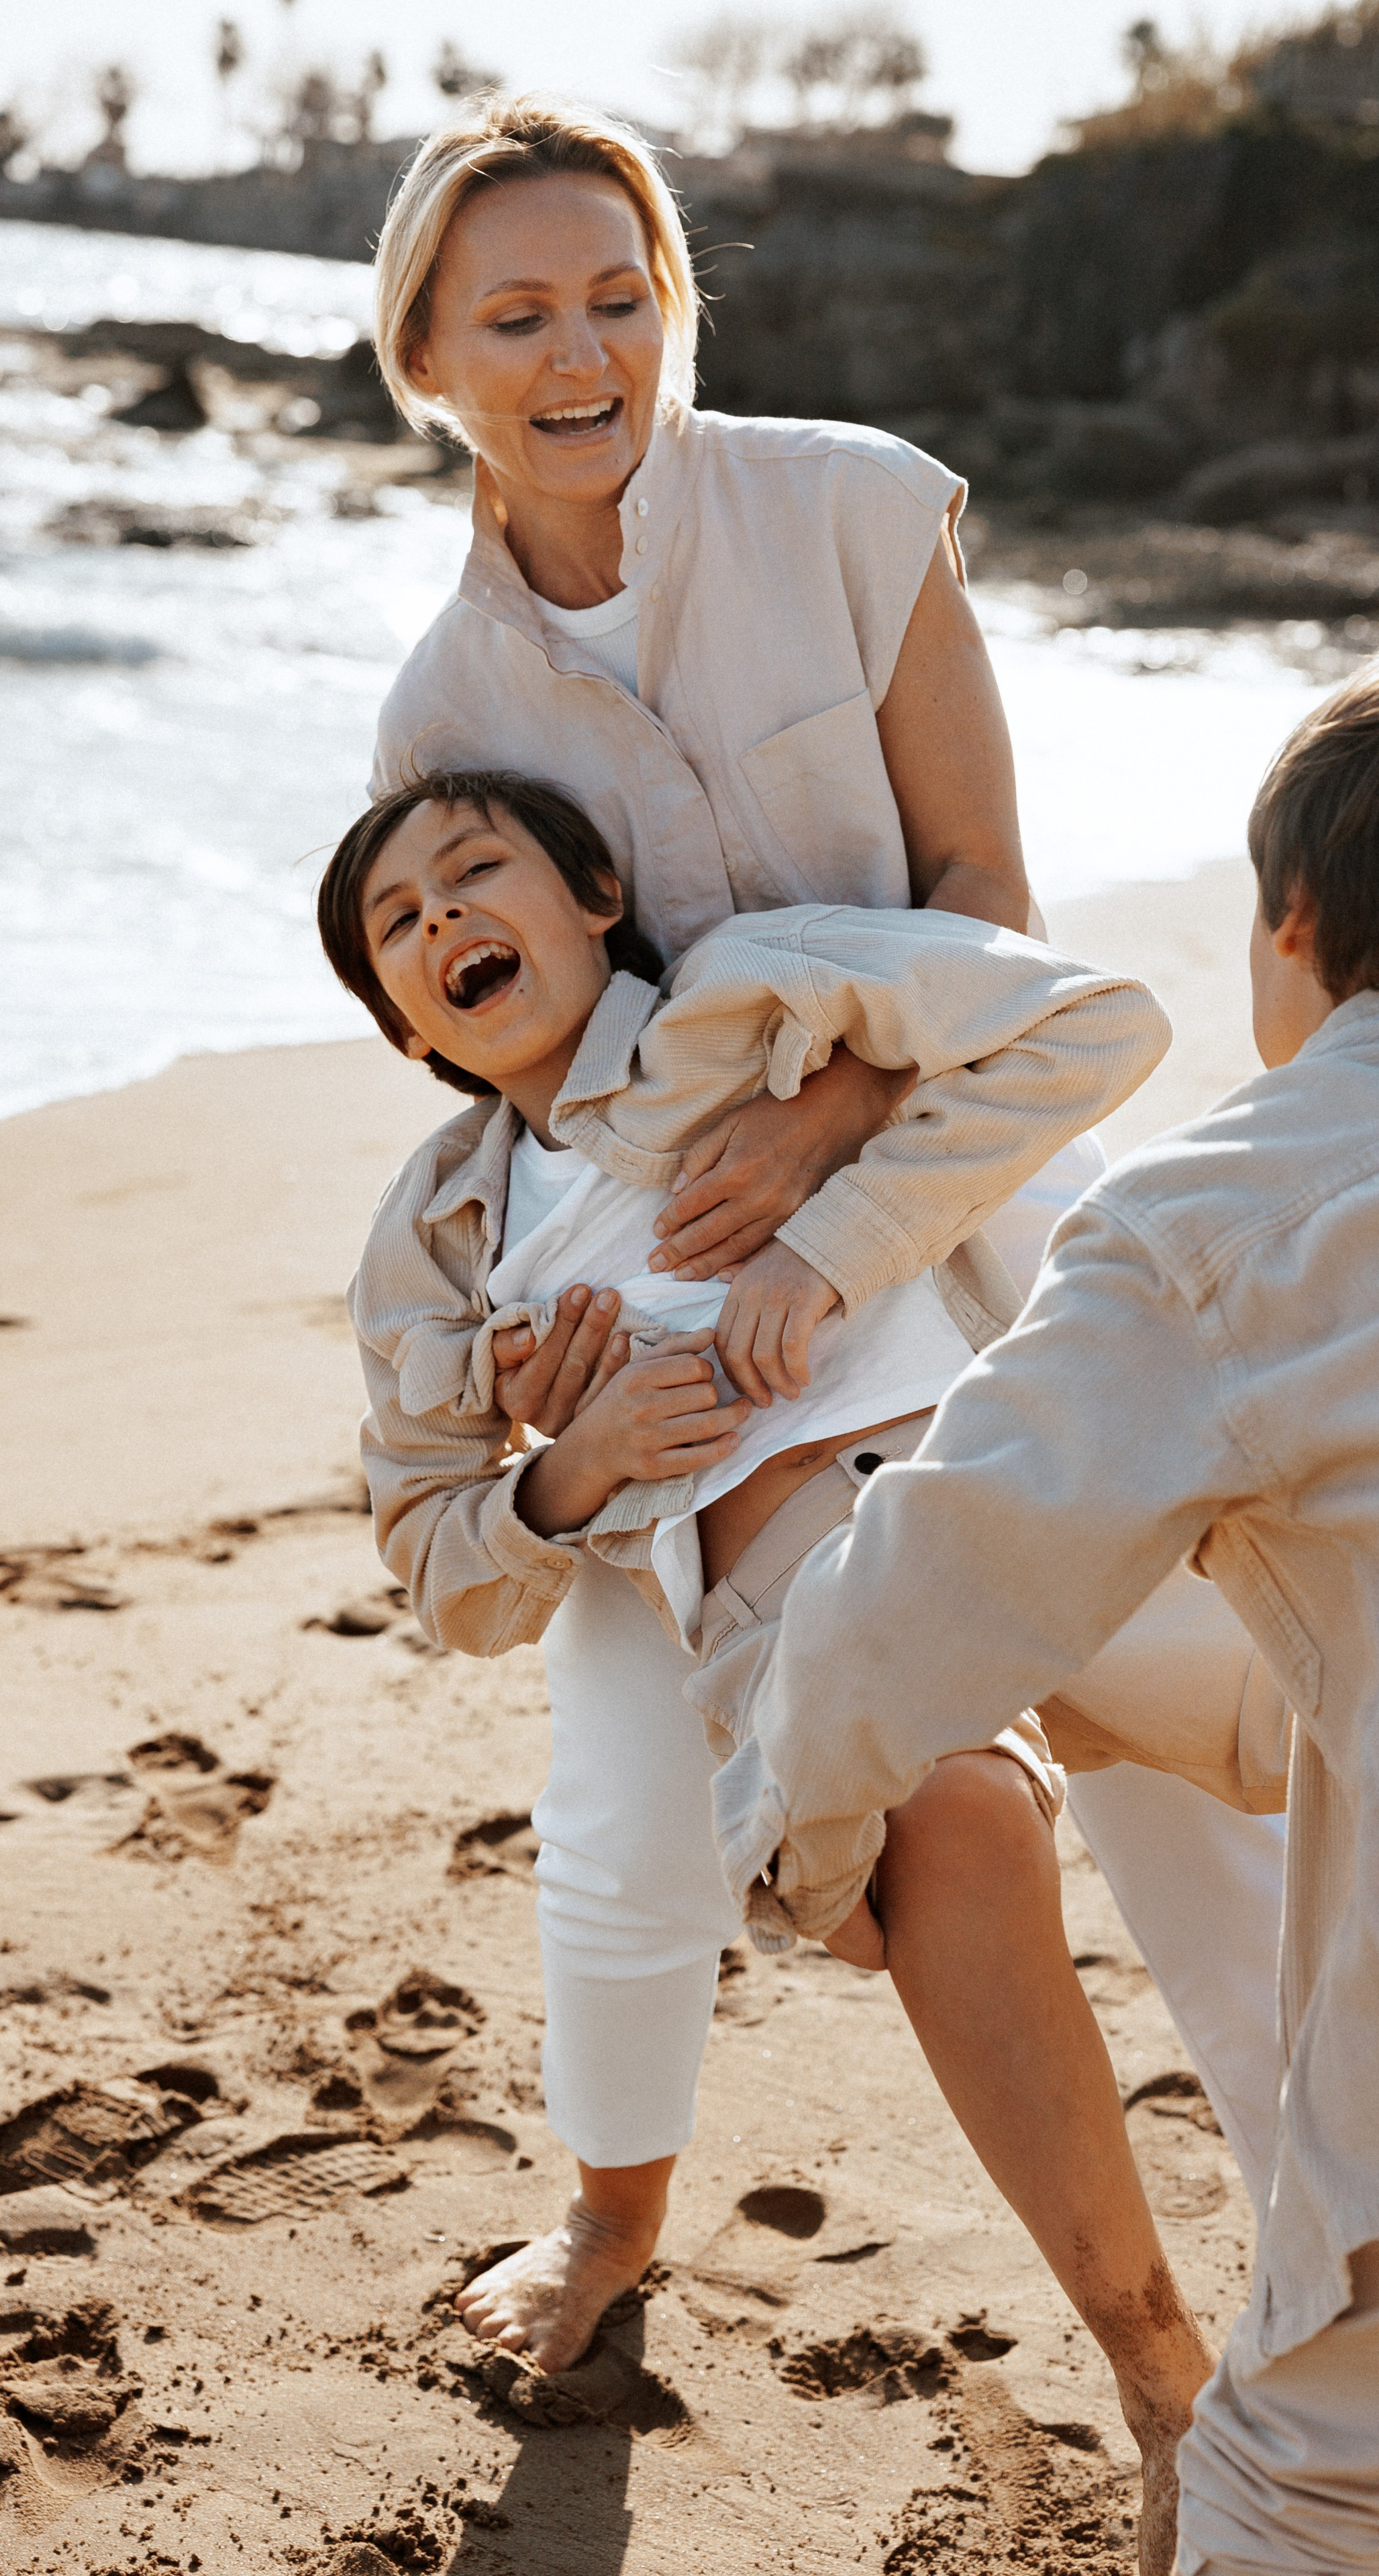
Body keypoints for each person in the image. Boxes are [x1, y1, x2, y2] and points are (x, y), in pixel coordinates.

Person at [362, 70, 1288, 2400]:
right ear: (426, 361)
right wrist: (555, 1392)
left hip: (957, 1165)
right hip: (686, 1289)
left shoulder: (857, 512)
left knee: (1204, 1796)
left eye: (618, 295)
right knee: (616, 1808)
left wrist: (839, 1127)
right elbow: (508, 1004)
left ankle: (1366, 2308)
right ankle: (607, 2226)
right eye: (518, 317)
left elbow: (990, 901)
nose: (583, 357)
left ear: (669, 302)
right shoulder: (446, 702)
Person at [711, 625, 1379, 2576]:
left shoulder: (1210, 1218)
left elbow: (934, 1576)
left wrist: (801, 1831)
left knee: (1301, 2483)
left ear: (1294, 926)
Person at [320, 766, 1250, 2568]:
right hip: (812, 1599)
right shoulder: (446, 1228)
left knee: (1362, 1727)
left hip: (1037, 1482)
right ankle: (1168, 2389)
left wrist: (830, 1216)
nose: (441, 921)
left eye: (472, 873)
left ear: (597, 891)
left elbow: (1092, 1024)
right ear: (398, 1021)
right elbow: (443, 1574)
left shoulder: (765, 998)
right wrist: (578, 1472)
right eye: (398, 925)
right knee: (950, 1833)